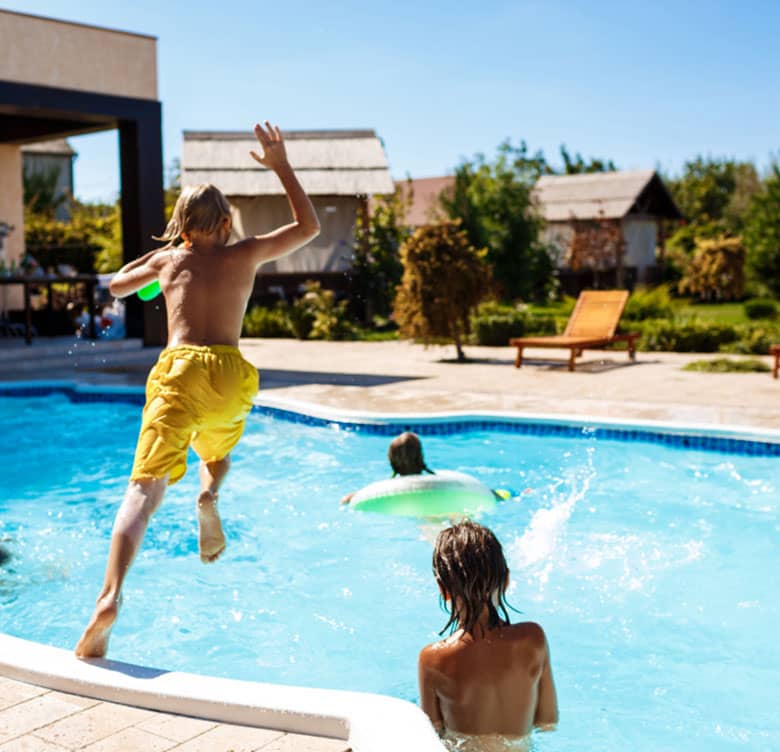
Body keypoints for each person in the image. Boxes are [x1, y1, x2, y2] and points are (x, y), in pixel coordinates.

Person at [75, 122, 320, 658]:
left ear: (181, 228)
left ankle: (110, 594)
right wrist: (280, 167)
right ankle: (208, 496)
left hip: (181, 369)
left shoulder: (169, 260)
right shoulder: (246, 253)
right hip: (231, 373)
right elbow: (309, 226)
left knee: (143, 489)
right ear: (228, 224)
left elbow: (115, 286)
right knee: (218, 453)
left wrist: (154, 265)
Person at [418, 521, 558, 742]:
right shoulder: (533, 639)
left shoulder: (433, 659)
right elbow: (547, 721)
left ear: (443, 589)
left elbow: (430, 736)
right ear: (506, 579)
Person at [340, 432, 511, 504]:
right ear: (420, 457)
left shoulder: (385, 488)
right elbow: (490, 494)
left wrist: (352, 497)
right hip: (445, 503)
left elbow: (346, 500)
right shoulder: (440, 481)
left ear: (391, 461)